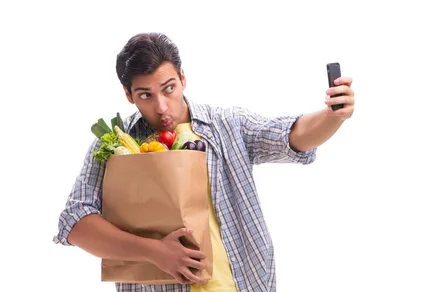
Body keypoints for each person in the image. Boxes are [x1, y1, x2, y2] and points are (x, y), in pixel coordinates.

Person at [53, 32, 355, 292]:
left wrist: (332, 115)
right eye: (146, 95)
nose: (161, 106)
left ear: (183, 79)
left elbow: (290, 135)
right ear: (128, 95)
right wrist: (156, 252)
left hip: (244, 282)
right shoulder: (115, 144)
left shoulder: (227, 125)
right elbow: (75, 223)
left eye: (168, 88)